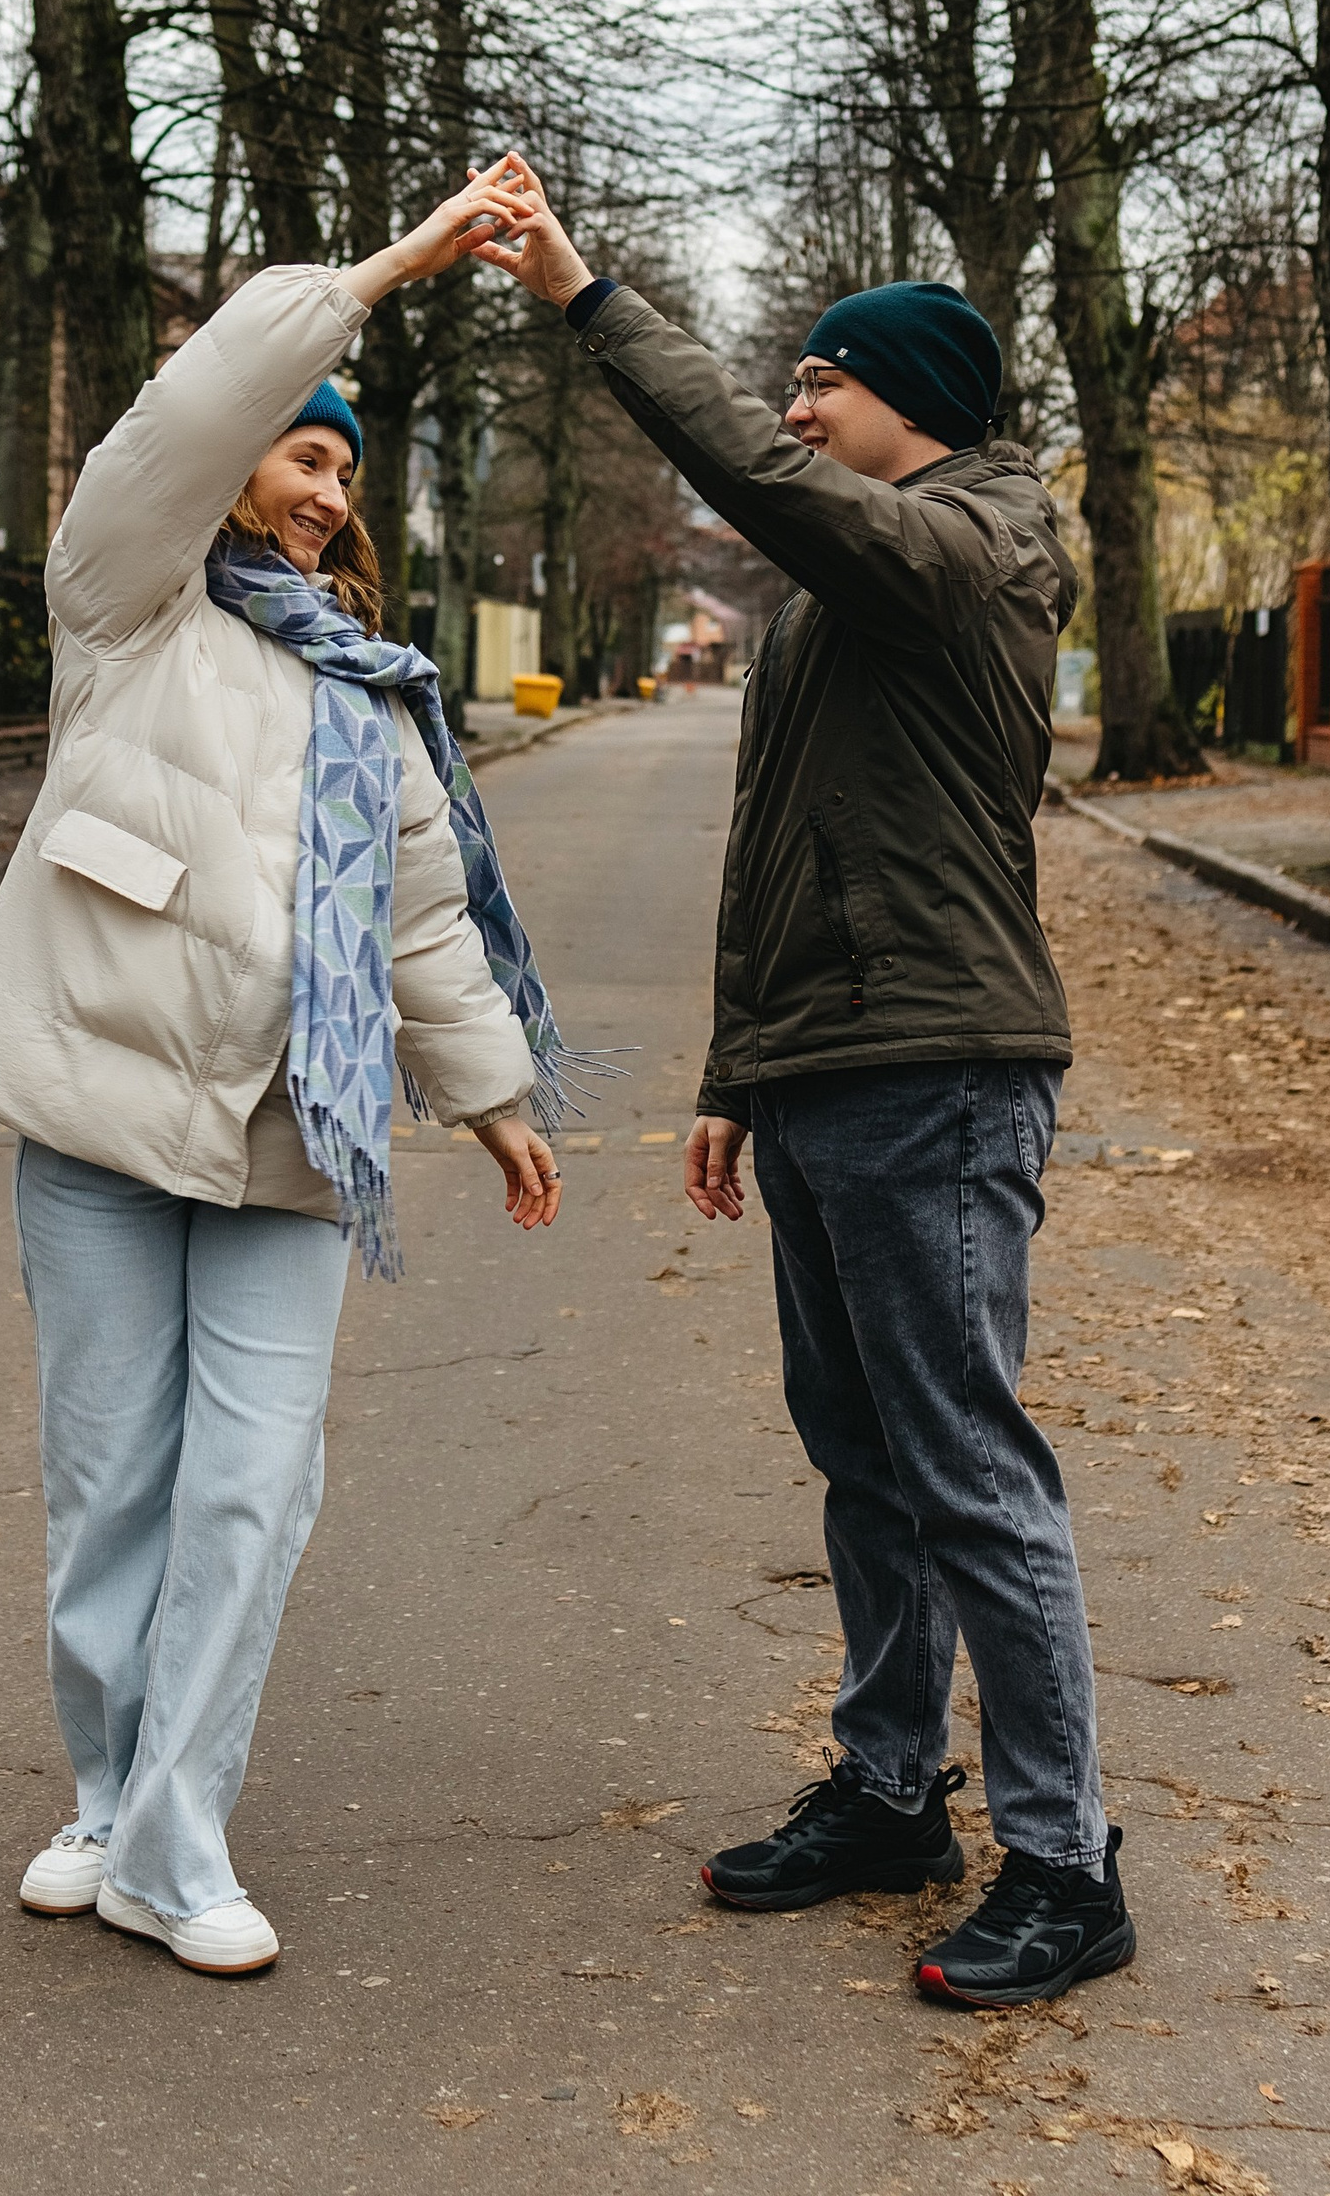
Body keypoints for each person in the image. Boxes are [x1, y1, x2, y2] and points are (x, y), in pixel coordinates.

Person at [475, 162, 1134, 2012]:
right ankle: (891, 1789)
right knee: (863, 1464)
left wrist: (589, 297)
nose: (795, 411)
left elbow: (766, 486)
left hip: (942, 1075)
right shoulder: (834, 606)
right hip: (829, 1073)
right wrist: (731, 1069)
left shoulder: (973, 545)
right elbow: (780, 842)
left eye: (822, 383)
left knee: (969, 1473)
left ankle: (1067, 1863)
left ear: (906, 396)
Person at [0, 167, 574, 1979]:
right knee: (112, 1476)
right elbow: (174, 415)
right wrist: (393, 269)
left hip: (301, 1139)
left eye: (345, 467)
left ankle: (174, 1839)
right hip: (108, 1118)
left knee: (250, 1487)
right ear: (226, 467)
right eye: (299, 450)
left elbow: (426, 927)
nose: (323, 483)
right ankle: (103, 1789)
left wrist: (502, 1101)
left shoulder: (377, 692)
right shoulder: (123, 610)